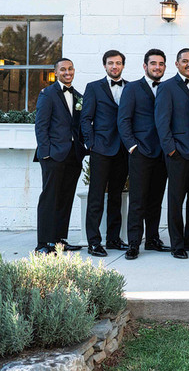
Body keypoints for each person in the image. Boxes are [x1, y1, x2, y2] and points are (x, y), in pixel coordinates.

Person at [117, 49, 171, 260]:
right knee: (138, 200)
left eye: (161, 64)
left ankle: (152, 239)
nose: (157, 67)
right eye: (153, 63)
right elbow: (123, 120)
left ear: (165, 67)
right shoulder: (132, 88)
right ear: (145, 66)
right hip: (140, 152)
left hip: (163, 152)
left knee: (156, 200)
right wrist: (132, 146)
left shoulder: (168, 88)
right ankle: (133, 244)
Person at [155, 48, 189, 259]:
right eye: (185, 61)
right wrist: (171, 150)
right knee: (176, 200)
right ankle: (177, 244)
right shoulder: (167, 87)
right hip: (178, 153)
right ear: (177, 64)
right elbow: (162, 122)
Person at [33, 57, 86, 254]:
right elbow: (41, 125)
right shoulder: (48, 94)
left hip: (73, 156)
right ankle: (43, 243)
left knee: (66, 197)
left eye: (70, 69)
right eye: (63, 69)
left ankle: (59, 240)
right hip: (53, 155)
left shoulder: (79, 96)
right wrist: (45, 153)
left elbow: (79, 126)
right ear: (56, 72)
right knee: (49, 198)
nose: (67, 72)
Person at [80, 50, 129, 257]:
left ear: (123, 66)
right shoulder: (93, 88)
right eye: (111, 63)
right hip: (101, 149)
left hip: (123, 149)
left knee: (117, 196)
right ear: (105, 66)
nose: (114, 66)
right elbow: (85, 118)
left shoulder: (130, 87)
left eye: (118, 63)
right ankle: (93, 242)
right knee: (96, 196)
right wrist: (91, 144)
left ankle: (113, 239)